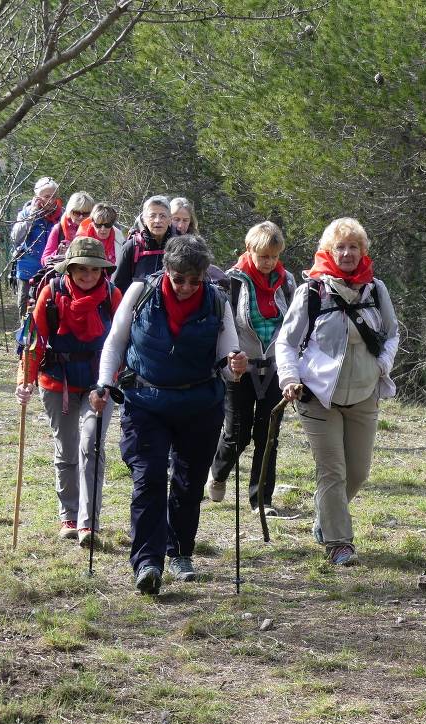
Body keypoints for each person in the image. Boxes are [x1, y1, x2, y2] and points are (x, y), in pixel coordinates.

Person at [93, 234, 247, 595]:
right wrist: (103, 383)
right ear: (167, 272)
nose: (186, 287)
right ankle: (147, 563)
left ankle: (179, 553)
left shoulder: (216, 300)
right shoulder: (140, 293)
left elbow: (229, 357)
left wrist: (236, 366)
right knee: (148, 478)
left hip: (200, 406)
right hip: (145, 402)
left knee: (190, 483)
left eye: (194, 281)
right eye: (179, 279)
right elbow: (115, 342)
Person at [275, 217, 399, 566]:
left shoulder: (376, 290)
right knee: (333, 471)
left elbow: (392, 333)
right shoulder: (312, 291)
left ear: (363, 251)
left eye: (353, 247)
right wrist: (288, 379)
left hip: (364, 393)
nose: (346, 253)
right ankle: (339, 544)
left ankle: (325, 517)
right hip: (317, 396)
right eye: (340, 247)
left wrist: (381, 366)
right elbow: (286, 342)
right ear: (328, 252)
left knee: (358, 472)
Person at [14, 237, 122, 545]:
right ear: (69, 269)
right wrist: (24, 382)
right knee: (66, 451)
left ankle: (89, 524)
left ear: (103, 271)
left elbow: (122, 343)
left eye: (94, 270)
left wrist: (110, 380)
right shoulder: (51, 295)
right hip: (56, 383)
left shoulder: (113, 296)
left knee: (92, 448)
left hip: (97, 384)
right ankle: (69, 517)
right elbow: (33, 344)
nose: (87, 276)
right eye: (80, 270)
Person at [207, 222, 296, 517]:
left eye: (273, 256)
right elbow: (224, 325)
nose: (269, 262)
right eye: (263, 256)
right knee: (237, 433)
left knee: (268, 434)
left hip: (276, 368)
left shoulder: (287, 282)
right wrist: (230, 357)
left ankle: (261, 499)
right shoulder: (231, 281)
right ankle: (218, 473)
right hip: (240, 367)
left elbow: (295, 324)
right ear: (249, 250)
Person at [11, 177, 62, 317]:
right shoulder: (26, 213)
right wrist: (31, 215)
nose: (51, 200)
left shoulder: (63, 215)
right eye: (46, 196)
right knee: (26, 311)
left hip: (53, 270)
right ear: (37, 197)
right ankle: (25, 336)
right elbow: (16, 238)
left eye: (54, 196)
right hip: (28, 270)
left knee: (49, 310)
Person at [112, 195, 174, 293]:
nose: (157, 220)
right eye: (152, 216)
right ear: (144, 219)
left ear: (170, 219)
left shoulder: (178, 247)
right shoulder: (132, 246)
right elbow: (117, 287)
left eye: (162, 216)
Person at [41, 191, 95, 266]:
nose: (81, 217)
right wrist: (58, 253)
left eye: (86, 213)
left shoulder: (97, 229)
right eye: (77, 213)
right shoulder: (59, 229)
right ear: (70, 211)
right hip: (63, 273)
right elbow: (44, 260)